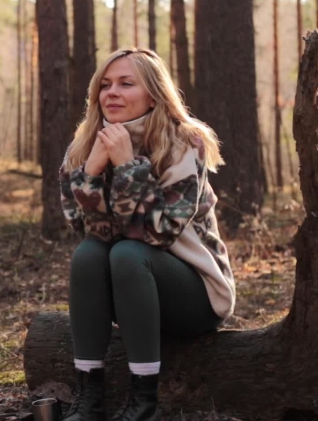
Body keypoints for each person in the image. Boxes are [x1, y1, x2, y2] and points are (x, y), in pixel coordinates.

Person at [58, 48, 235, 421]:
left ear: (153, 93)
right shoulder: (86, 144)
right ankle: (89, 397)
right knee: (88, 255)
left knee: (128, 253)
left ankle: (144, 403)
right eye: (104, 85)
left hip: (194, 295)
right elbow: (85, 229)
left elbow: (160, 232)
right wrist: (90, 172)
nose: (112, 93)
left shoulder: (184, 142)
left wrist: (126, 167)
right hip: (132, 296)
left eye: (126, 83)